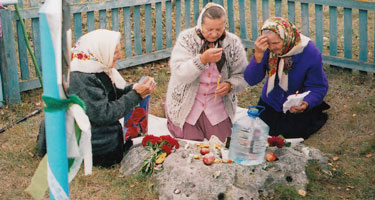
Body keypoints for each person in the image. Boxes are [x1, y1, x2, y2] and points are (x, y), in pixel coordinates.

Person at [68, 29, 156, 167]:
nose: (120, 55)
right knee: (113, 134)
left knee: (115, 131)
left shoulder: (94, 67)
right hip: (75, 134)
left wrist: (133, 89)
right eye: (115, 52)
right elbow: (104, 114)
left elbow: (109, 94)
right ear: (99, 51)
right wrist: (136, 95)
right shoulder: (80, 78)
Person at [165, 3, 248, 143]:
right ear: (200, 25)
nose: (214, 34)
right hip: (187, 102)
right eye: (209, 29)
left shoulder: (232, 42)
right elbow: (180, 74)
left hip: (216, 103)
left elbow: (243, 75)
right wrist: (202, 60)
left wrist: (230, 85)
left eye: (219, 29)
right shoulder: (187, 39)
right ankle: (170, 111)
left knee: (221, 142)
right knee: (190, 143)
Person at [244, 17, 330, 139]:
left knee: (291, 134)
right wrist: (258, 55)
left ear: (287, 38)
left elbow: (318, 86)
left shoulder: (309, 52)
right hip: (272, 100)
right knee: (262, 132)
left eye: (275, 43)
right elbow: (251, 80)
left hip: (296, 103)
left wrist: (306, 103)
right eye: (268, 43)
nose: (272, 48)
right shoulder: (267, 49)